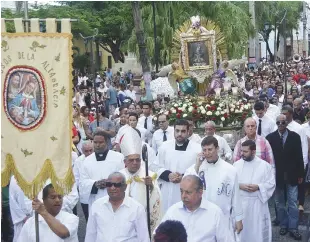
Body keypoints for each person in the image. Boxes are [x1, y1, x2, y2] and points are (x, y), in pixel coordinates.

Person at [184, 136, 243, 240]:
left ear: (217, 148)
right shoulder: (198, 168)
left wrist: (238, 219)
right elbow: (186, 183)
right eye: (204, 150)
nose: (207, 153)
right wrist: (197, 166)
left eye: (210, 149)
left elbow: (236, 196)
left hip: (223, 217)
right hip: (202, 217)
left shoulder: (230, 170)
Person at [266, 114, 304, 240]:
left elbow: (299, 156)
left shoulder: (295, 136)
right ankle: (283, 224)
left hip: (292, 174)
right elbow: (268, 160)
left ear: (287, 123)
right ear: (275, 124)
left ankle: (293, 227)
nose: (281, 125)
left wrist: (300, 174)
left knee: (293, 202)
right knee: (279, 203)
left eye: (283, 122)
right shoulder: (270, 138)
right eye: (278, 123)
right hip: (277, 176)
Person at [85, 172, 150, 242]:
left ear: (125, 187)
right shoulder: (97, 205)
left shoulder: (137, 208)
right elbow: (91, 234)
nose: (112, 188)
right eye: (109, 184)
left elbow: (144, 238)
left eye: (117, 185)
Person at [160, 175, 229, 242]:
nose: (183, 196)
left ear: (200, 192)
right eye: (181, 191)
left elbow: (227, 239)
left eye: (188, 192)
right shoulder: (173, 211)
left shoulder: (215, 213)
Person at [119, 127, 162, 232]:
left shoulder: (149, 175)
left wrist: (151, 186)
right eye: (131, 160)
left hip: (143, 219)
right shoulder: (119, 176)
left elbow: (158, 198)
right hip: (123, 218)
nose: (135, 163)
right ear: (125, 161)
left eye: (137, 160)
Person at [153, 119, 200, 212]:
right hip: (167, 190)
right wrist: (168, 175)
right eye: (177, 131)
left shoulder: (197, 149)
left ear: (188, 132)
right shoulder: (164, 147)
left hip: (188, 191)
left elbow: (199, 171)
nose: (179, 134)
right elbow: (155, 166)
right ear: (173, 131)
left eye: (183, 131)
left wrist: (183, 177)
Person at [233, 140, 275, 242]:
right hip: (241, 204)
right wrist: (239, 186)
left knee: (257, 233)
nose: (242, 154)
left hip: (258, 206)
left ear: (253, 151)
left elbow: (271, 184)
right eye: (241, 151)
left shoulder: (265, 166)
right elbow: (230, 183)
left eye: (245, 151)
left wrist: (259, 187)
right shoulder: (236, 165)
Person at [79, 130, 124, 212]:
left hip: (114, 199)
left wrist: (111, 182)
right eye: (95, 142)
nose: (98, 145)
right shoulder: (87, 161)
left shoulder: (118, 158)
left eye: (100, 142)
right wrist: (95, 184)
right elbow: (82, 182)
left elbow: (124, 178)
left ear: (107, 142)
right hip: (95, 199)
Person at [72, 141, 94, 221]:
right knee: (88, 219)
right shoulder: (78, 161)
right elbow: (76, 178)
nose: (89, 153)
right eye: (86, 151)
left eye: (91, 150)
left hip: (98, 193)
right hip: (85, 194)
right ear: (82, 150)